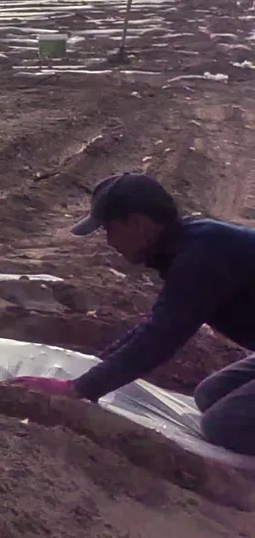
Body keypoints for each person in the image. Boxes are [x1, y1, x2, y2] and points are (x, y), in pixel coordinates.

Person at [13, 172, 255, 454]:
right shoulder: (193, 242)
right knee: (209, 395)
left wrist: (78, 389)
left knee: (224, 425)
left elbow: (161, 337)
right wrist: (93, 365)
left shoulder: (201, 258)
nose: (108, 241)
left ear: (138, 224)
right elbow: (156, 324)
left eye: (109, 229)